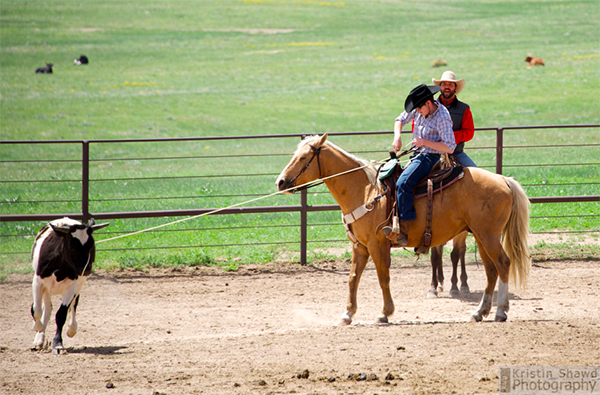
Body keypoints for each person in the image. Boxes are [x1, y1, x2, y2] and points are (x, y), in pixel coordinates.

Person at [384, 84, 456, 246]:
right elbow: (400, 119)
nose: (417, 112)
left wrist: (424, 142)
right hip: (418, 154)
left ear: (428, 103)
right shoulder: (420, 108)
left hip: (431, 156)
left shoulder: (442, 117)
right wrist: (397, 138)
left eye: (419, 109)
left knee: (403, 183)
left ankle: (405, 227)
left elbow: (450, 147)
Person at [432, 71, 476, 168]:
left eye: (450, 84)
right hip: (432, 153)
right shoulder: (430, 106)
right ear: (440, 87)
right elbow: (417, 126)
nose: (447, 87)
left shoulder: (464, 109)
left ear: (455, 88)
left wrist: (449, 137)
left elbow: (469, 133)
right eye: (444, 84)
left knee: (475, 175)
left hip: (456, 154)